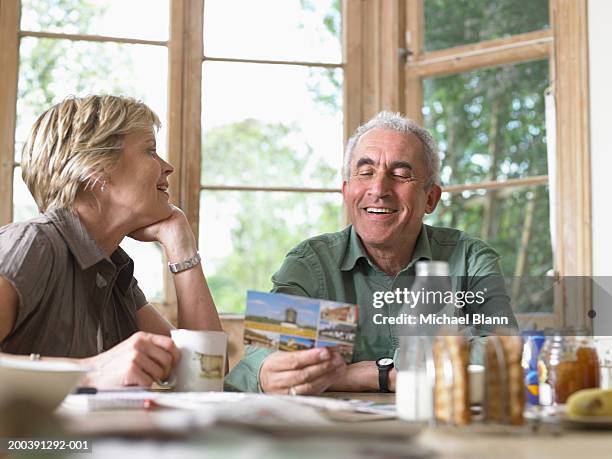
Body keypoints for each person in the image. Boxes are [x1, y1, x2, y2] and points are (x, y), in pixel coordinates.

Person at [225, 111, 518, 394]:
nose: (378, 188)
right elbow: (257, 364)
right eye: (365, 173)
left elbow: (502, 354)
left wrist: (379, 373)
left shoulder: (469, 259)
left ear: (431, 198)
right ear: (346, 191)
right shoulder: (311, 263)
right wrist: (273, 372)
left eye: (401, 175)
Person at [0, 95, 223, 389]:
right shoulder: (32, 245)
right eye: (151, 151)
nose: (167, 167)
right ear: (96, 167)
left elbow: (204, 374)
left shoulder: (114, 274)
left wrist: (181, 245)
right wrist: (89, 371)